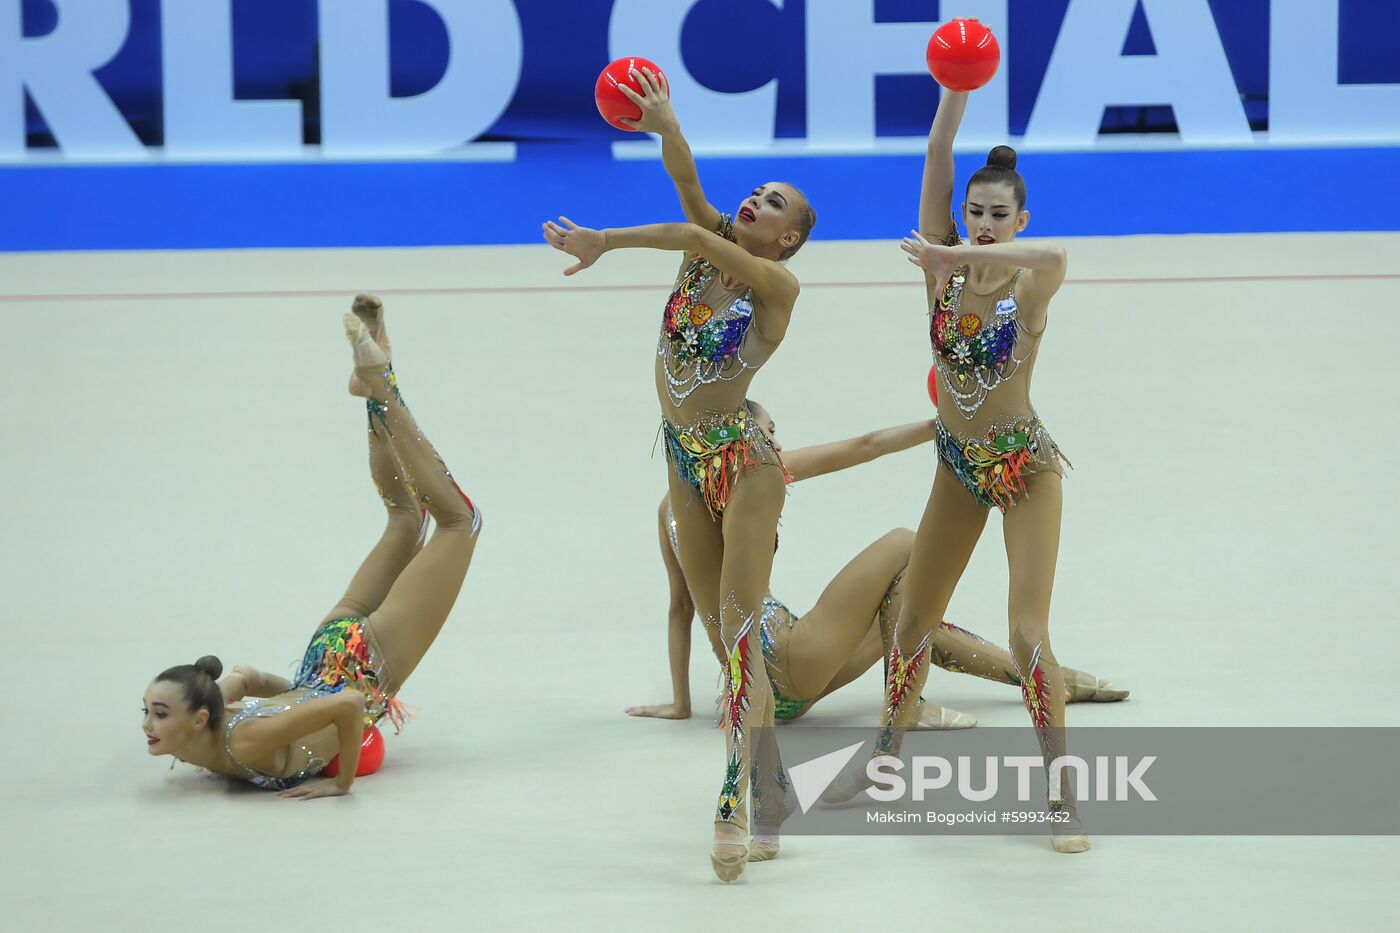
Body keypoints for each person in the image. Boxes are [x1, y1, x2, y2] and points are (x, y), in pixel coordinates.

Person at [543, 66, 816, 881]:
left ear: (788, 238)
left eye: (773, 202)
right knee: (724, 643)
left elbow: (693, 233)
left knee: (740, 636)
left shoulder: (777, 286)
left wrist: (603, 240)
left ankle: (735, 801)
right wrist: (665, 124)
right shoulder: (716, 235)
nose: (754, 202)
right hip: (684, 458)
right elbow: (689, 184)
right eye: (758, 191)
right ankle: (770, 786)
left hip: (745, 464)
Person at [827, 82, 1090, 854]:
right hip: (956, 465)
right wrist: (952, 92)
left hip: (1024, 467)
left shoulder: (1027, 284)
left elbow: (1057, 254)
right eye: (972, 212)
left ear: (1019, 220)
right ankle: (884, 765)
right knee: (912, 622)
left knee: (1025, 629)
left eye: (996, 214)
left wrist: (956, 248)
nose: (980, 224)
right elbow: (938, 152)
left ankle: (1060, 789)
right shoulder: (940, 273)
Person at [140, 295, 481, 799]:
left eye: (158, 712)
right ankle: (372, 385)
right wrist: (286, 695)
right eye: (150, 712)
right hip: (324, 658)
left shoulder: (243, 739)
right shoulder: (217, 726)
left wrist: (339, 786)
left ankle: (382, 383)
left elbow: (345, 708)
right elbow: (246, 676)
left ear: (200, 717)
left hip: (358, 668)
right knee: (406, 519)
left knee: (460, 522)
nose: (147, 724)